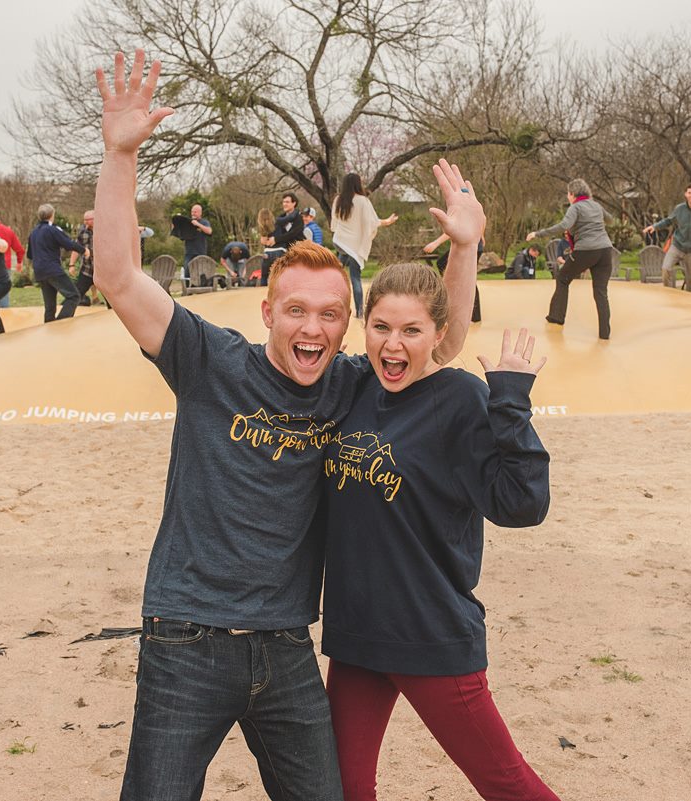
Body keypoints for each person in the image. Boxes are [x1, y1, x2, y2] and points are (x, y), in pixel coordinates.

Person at [90, 50, 481, 801]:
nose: (313, 327)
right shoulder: (210, 360)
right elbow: (117, 276)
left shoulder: (351, 385)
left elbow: (446, 343)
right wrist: (120, 155)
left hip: (288, 647)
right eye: (296, 310)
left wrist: (464, 247)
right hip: (187, 638)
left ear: (346, 325)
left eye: (330, 314)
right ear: (267, 311)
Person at [322, 263, 559, 801]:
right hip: (357, 635)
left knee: (505, 784)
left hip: (428, 632)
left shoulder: (458, 399)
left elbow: (522, 504)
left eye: (411, 331)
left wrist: (512, 402)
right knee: (342, 790)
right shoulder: (356, 388)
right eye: (381, 327)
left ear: (438, 333)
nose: (393, 344)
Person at [528, 179, 615, 339]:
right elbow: (610, 220)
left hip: (586, 250)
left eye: (568, 194)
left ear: (572, 194)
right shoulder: (595, 205)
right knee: (601, 292)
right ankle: (605, 334)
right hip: (605, 250)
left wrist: (538, 233)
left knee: (562, 278)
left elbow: (564, 225)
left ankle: (556, 317)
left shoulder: (576, 207)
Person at [332, 172, 398, 318]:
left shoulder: (338, 199)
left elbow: (334, 224)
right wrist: (387, 221)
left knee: (339, 269)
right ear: (357, 183)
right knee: (355, 277)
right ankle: (360, 312)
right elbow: (371, 222)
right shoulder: (362, 201)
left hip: (340, 242)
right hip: (353, 246)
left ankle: (335, 280)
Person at [643, 183, 691, 293]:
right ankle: (670, 295)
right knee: (666, 269)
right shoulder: (679, 209)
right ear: (685, 194)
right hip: (677, 246)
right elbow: (668, 221)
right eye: (689, 193)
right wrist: (654, 227)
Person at [27, 203, 85, 322]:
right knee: (74, 296)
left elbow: (29, 254)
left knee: (50, 306)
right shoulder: (52, 229)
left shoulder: (33, 233)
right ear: (52, 215)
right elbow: (68, 244)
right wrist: (84, 250)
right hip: (52, 269)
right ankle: (60, 324)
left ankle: (50, 330)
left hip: (40, 272)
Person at [260, 192, 306, 286]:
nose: (284, 204)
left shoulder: (298, 217)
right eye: (283, 202)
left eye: (287, 202)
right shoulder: (281, 218)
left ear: (294, 203)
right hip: (286, 250)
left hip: (299, 249)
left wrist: (276, 239)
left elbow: (294, 233)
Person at [68, 210, 100, 307]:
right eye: (84, 220)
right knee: (76, 295)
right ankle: (65, 317)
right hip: (87, 269)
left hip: (103, 271)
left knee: (112, 299)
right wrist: (71, 265)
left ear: (95, 219)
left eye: (88, 220)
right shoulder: (82, 233)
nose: (85, 222)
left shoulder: (105, 231)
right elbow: (76, 249)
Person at [183, 203, 212, 285]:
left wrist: (198, 224)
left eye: (195, 212)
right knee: (187, 272)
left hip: (200, 252)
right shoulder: (188, 222)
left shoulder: (204, 222)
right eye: (192, 212)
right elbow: (179, 232)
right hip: (189, 252)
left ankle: (202, 288)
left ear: (200, 213)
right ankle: (187, 290)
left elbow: (209, 231)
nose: (193, 214)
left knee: (202, 272)